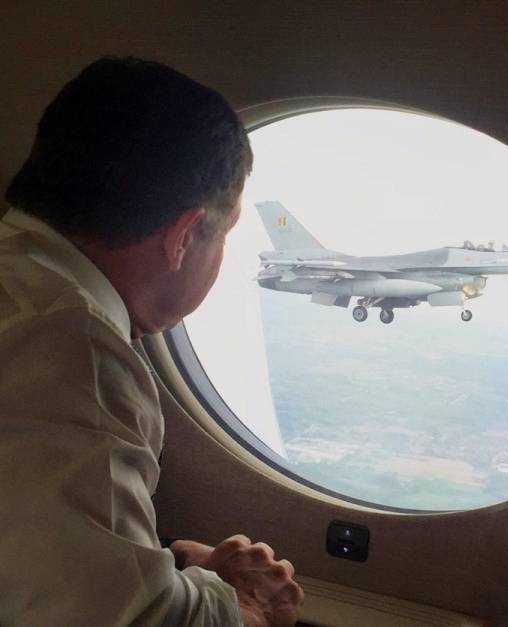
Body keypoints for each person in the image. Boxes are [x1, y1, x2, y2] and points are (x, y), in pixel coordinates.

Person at [0, 57, 303, 626]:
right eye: (226, 234)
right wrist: (240, 603)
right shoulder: (71, 345)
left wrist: (171, 563)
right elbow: (123, 618)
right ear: (184, 236)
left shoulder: (22, 289)